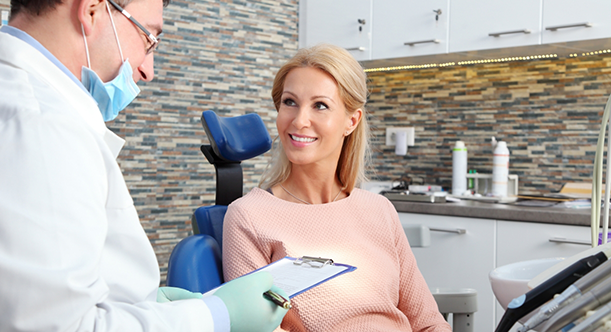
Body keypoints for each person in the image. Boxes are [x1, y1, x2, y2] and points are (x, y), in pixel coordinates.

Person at [0, 0, 288, 330]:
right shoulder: (41, 127)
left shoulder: (29, 108)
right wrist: (215, 316)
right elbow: (59, 325)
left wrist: (151, 307)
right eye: (148, 37)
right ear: (92, 10)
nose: (148, 71)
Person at [222, 44, 452, 332]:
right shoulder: (249, 217)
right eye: (289, 102)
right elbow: (256, 327)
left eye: (320, 105)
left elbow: (429, 323)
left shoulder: (379, 210)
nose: (299, 120)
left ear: (351, 121)